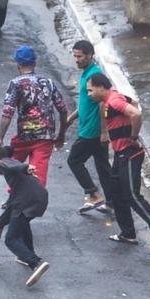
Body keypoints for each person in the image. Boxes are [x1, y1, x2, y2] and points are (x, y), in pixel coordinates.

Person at [86, 74, 150, 254]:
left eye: (90, 90)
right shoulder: (112, 100)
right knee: (116, 193)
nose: (89, 94)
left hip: (129, 154)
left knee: (132, 195)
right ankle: (128, 233)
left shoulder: (114, 101)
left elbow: (136, 113)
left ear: (100, 87)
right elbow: (133, 102)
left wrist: (133, 137)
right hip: (121, 154)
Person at [0, 45, 67, 188]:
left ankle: (14, 195)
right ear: (34, 63)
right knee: (38, 177)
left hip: (24, 135)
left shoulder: (15, 83)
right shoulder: (48, 83)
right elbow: (63, 109)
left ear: (18, 65)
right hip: (45, 136)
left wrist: (0, 137)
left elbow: (7, 113)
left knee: (10, 166)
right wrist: (61, 134)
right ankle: (33, 200)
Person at [0, 146, 50, 287]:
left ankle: (35, 262)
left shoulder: (5, 163)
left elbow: (11, 165)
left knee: (11, 239)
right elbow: (10, 205)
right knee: (23, 225)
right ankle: (27, 255)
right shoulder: (15, 178)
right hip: (38, 197)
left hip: (26, 201)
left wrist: (25, 167)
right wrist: (0, 225)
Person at [64, 40, 113, 214]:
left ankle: (93, 194)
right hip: (90, 128)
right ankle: (112, 202)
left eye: (80, 56)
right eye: (75, 56)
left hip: (91, 131)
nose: (76, 60)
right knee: (102, 167)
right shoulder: (86, 73)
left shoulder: (95, 75)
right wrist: (71, 118)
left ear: (90, 56)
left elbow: (103, 103)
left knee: (74, 160)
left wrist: (104, 131)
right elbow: (86, 102)